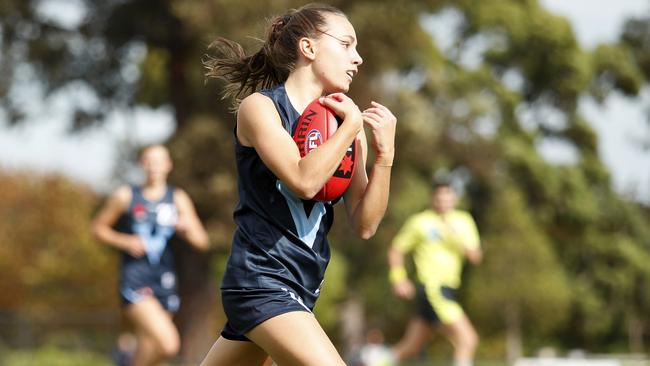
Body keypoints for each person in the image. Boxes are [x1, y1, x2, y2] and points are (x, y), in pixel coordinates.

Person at [200, 3, 397, 365]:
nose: (358, 58)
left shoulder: (345, 125)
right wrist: (352, 128)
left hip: (302, 287)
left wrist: (385, 158)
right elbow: (304, 181)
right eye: (346, 44)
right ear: (308, 48)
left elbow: (365, 224)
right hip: (260, 281)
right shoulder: (261, 109)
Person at [92, 144, 209, 366]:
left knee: (151, 348)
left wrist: (186, 229)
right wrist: (124, 241)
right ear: (142, 164)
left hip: (164, 279)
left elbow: (202, 241)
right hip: (135, 278)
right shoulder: (126, 195)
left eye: (159, 161)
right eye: (149, 161)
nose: (154, 166)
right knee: (168, 344)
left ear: (168, 165)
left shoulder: (177, 198)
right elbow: (98, 228)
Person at [387, 177, 482, 366]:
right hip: (433, 288)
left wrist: (456, 238)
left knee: (411, 346)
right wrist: (398, 279)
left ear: (455, 198)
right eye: (439, 197)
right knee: (468, 340)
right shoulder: (420, 221)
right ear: (433, 198)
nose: (443, 201)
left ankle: (371, 362)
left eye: (448, 196)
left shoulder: (464, 221)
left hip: (450, 288)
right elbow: (396, 250)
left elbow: (475, 257)